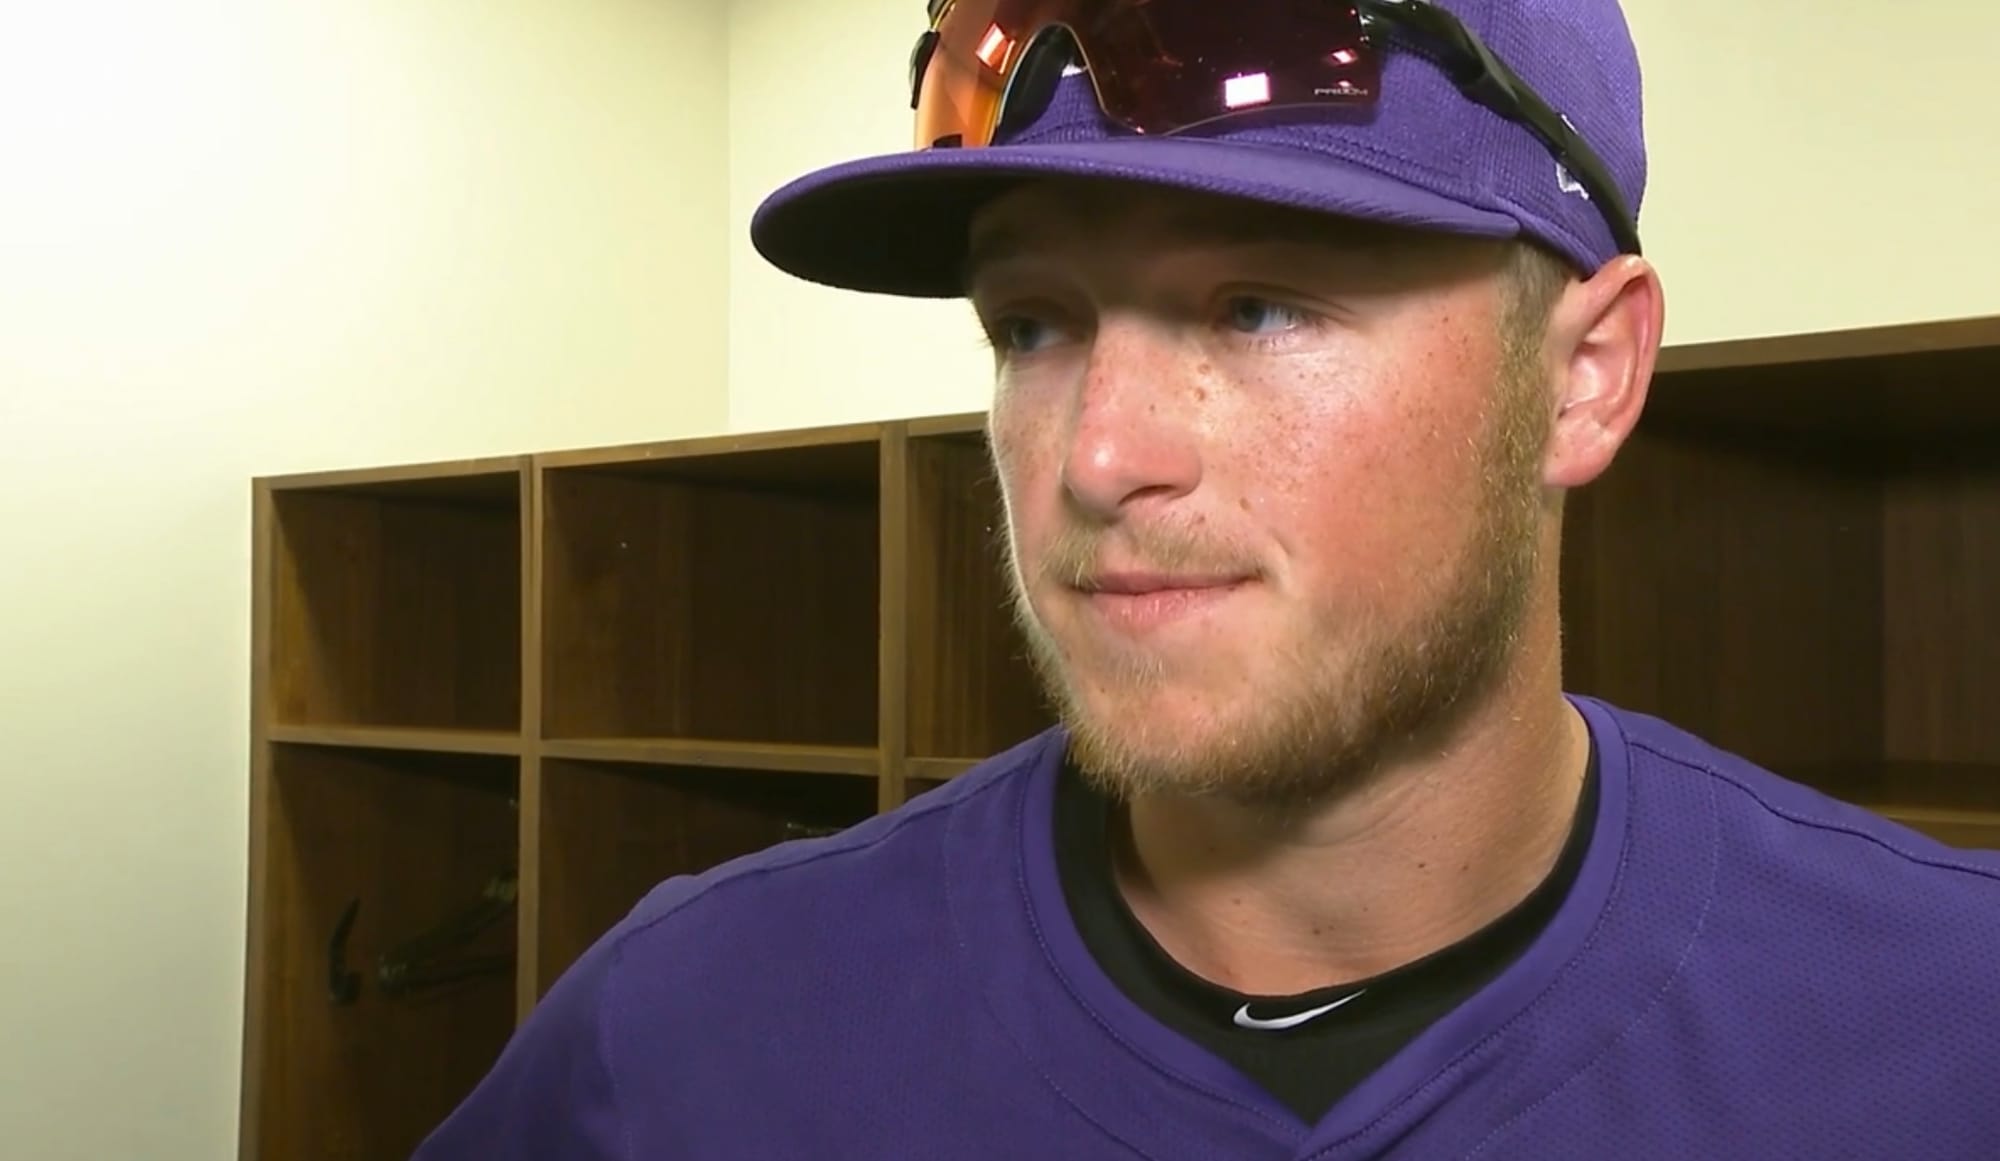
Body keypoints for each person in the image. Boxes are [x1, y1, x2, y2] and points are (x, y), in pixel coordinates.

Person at [415, 1, 2000, 1157]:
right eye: (1032, 323)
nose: (1099, 458)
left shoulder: (1948, 1031)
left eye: (1259, 308)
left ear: (1587, 378)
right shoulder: (687, 1032)